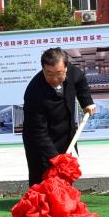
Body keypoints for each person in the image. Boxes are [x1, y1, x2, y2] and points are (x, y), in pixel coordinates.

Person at [20, 47, 97, 185]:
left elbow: (80, 80)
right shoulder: (34, 92)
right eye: (49, 74)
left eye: (59, 74)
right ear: (43, 69)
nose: (54, 79)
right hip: (40, 142)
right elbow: (39, 132)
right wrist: (55, 159)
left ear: (66, 68)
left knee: (64, 176)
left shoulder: (73, 72)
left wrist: (86, 102)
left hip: (64, 134)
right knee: (43, 179)